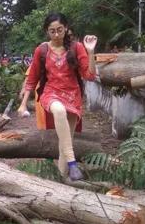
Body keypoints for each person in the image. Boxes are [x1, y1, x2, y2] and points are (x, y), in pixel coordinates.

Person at [17, 13, 97, 181]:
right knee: (59, 111)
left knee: (64, 141)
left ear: (66, 28)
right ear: (47, 31)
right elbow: (32, 78)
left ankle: (60, 181)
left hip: (73, 96)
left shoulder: (76, 47)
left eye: (59, 30)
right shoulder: (42, 50)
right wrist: (23, 104)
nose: (56, 34)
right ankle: (73, 164)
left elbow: (89, 76)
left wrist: (90, 52)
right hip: (51, 93)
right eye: (52, 31)